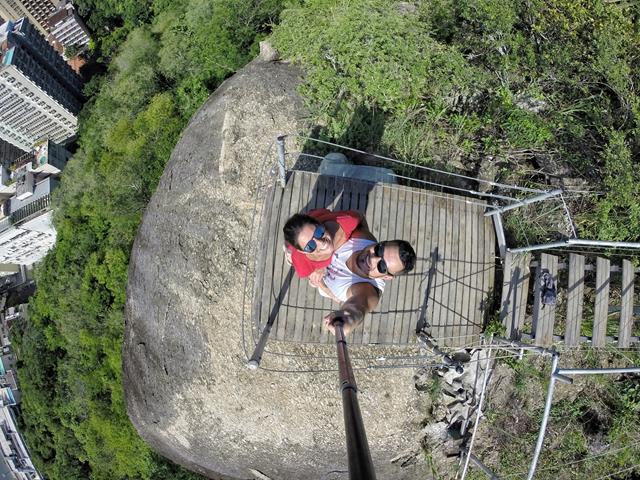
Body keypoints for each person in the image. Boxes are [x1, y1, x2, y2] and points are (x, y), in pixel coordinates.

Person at [314, 223, 416, 336]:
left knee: (322, 290)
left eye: (382, 266)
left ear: (386, 277)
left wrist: (348, 318)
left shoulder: (368, 291)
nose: (372, 259)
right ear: (379, 243)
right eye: (379, 250)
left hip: (326, 285)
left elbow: (358, 307)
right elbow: (359, 218)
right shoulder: (362, 237)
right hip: (319, 271)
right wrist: (316, 262)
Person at [282, 209, 365, 283]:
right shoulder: (302, 262)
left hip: (319, 214)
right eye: (310, 246)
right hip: (299, 252)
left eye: (318, 232)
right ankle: (289, 250)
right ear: (302, 251)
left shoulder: (347, 222)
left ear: (319, 224)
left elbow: (359, 215)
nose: (321, 243)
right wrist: (317, 270)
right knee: (313, 278)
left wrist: (365, 239)